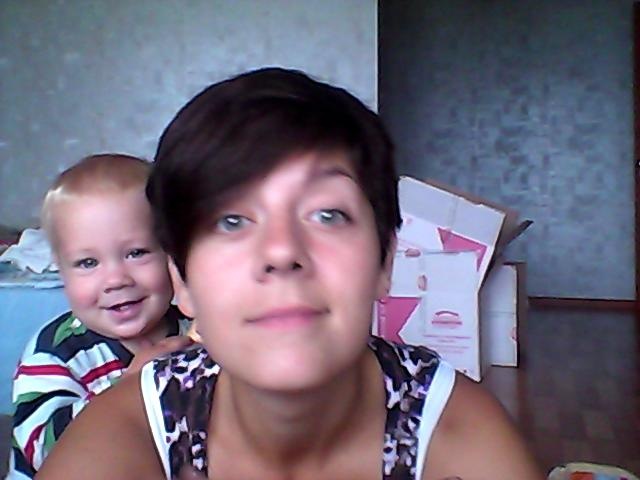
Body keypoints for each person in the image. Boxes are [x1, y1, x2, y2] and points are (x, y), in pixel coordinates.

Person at [36, 69, 543, 480]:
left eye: (327, 214)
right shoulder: (130, 431)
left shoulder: (458, 437)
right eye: (231, 221)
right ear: (182, 281)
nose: (281, 251)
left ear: (385, 261)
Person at [8, 154, 193, 479]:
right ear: (61, 270)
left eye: (136, 253)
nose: (116, 280)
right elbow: (42, 450)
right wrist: (129, 388)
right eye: (88, 263)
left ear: (171, 254)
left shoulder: (191, 330)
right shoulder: (54, 352)